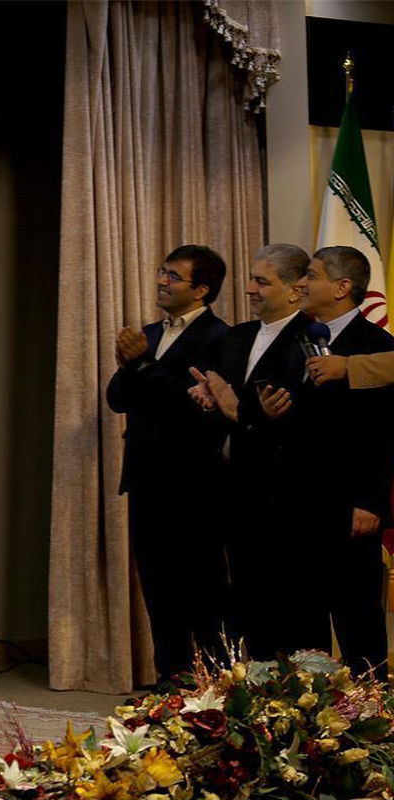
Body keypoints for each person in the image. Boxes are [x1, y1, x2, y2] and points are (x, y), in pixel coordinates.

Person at [106, 244, 229, 682]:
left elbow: (192, 405)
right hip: (146, 481)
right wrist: (136, 364)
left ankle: (213, 690)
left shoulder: (220, 337)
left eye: (173, 276)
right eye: (162, 272)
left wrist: (141, 363)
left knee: (200, 593)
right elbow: (118, 398)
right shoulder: (150, 333)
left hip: (193, 484)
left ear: (201, 290)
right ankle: (168, 687)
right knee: (158, 592)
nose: (161, 281)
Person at [188, 243, 312, 659]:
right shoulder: (237, 337)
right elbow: (225, 405)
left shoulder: (309, 342)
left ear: (296, 291)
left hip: (282, 493)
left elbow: (301, 426)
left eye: (262, 281)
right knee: (236, 596)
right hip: (230, 486)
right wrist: (208, 400)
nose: (250, 290)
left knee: (282, 603)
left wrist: (237, 411)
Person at [287, 245, 394, 679]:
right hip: (298, 500)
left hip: (350, 506)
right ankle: (309, 719)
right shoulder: (297, 340)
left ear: (343, 286)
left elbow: (381, 435)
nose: (301, 284)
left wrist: (369, 501)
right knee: (301, 618)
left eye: (311, 276)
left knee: (358, 622)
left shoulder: (376, 346)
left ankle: (372, 721)